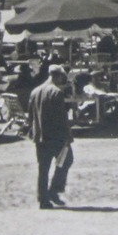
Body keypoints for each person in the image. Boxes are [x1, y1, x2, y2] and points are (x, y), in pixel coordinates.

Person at [28, 65, 74, 208]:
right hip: (55, 135)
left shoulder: (35, 91)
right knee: (66, 160)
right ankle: (54, 189)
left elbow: (30, 115)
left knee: (43, 168)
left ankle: (43, 198)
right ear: (58, 76)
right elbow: (61, 117)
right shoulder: (56, 92)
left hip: (40, 135)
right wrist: (67, 135)